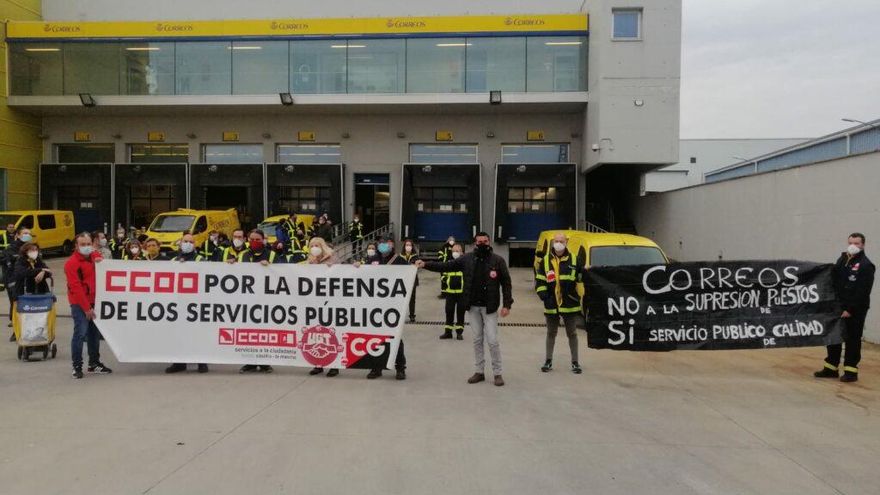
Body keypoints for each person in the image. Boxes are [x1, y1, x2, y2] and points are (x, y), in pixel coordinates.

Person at [417, 232, 512, 387]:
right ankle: (479, 371)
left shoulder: (498, 261)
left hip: (490, 307)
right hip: (473, 307)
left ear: (489, 242)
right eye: (479, 241)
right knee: (477, 340)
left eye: (485, 241)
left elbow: (506, 283)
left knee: (493, 341)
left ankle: (497, 373)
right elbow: (446, 266)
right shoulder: (467, 259)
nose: (482, 244)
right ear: (475, 243)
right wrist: (426, 264)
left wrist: (507, 304)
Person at [815, 233, 875, 383]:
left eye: (857, 243)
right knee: (834, 337)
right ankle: (831, 368)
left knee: (852, 339)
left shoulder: (866, 265)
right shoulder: (842, 260)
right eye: (850, 242)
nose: (853, 246)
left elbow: (862, 291)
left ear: (863, 245)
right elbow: (833, 279)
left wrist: (849, 309)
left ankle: (850, 371)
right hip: (837, 307)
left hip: (855, 310)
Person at [65, 232, 112, 379]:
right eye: (82, 244)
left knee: (94, 335)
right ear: (76, 246)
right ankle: (77, 365)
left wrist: (97, 256)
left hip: (95, 301)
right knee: (80, 334)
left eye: (88, 244)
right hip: (79, 304)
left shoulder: (94, 258)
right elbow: (75, 287)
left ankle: (94, 363)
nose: (86, 247)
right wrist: (86, 308)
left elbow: (98, 260)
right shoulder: (71, 263)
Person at [536, 233, 583, 374]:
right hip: (551, 304)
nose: (558, 243)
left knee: (572, 333)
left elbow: (581, 279)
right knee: (551, 333)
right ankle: (548, 361)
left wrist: (589, 271)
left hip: (569, 303)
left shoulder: (575, 260)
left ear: (566, 242)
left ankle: (575, 362)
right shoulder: (545, 261)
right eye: (556, 241)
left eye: (561, 241)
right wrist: (545, 297)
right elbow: (540, 281)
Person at [361, 236, 407, 380]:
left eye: (386, 244)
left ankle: (400, 368)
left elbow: (410, 278)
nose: (383, 246)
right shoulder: (373, 259)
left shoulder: (399, 260)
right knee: (374, 337)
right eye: (380, 243)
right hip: (375, 305)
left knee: (395, 337)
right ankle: (376, 367)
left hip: (392, 305)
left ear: (392, 245)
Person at [165, 232, 208, 374]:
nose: (187, 244)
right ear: (180, 242)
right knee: (178, 333)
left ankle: (202, 362)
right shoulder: (173, 261)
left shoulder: (201, 259)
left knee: (198, 333)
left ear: (194, 244)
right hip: (178, 302)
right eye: (185, 241)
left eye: (190, 241)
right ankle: (179, 362)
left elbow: (207, 276)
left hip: (196, 302)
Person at [237, 229, 280, 373]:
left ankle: (264, 362)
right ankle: (249, 362)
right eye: (251, 239)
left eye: (257, 239)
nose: (254, 242)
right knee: (249, 331)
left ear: (263, 240)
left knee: (264, 331)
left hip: (266, 300)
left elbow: (282, 274)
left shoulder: (272, 255)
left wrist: (270, 267)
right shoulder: (243, 255)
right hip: (248, 299)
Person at [306, 237, 343, 377]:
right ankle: (318, 364)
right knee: (316, 333)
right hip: (315, 302)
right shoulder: (310, 261)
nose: (314, 247)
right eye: (312, 245)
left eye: (317, 245)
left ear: (323, 246)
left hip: (331, 300)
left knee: (332, 333)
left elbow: (342, 273)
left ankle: (334, 365)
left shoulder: (332, 258)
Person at [2, 226, 31, 338]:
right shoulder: (11, 248)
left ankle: (28, 330)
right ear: (18, 235)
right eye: (25, 233)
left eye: (29, 233)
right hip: (15, 282)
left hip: (29, 282)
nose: (27, 235)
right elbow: (6, 265)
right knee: (16, 306)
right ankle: (16, 331)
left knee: (29, 306)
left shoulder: (32, 247)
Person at [439, 243, 465, 340]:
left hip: (461, 293)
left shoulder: (464, 263)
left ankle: (459, 333)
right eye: (453, 251)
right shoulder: (449, 262)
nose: (455, 253)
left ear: (461, 252)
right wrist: (445, 280)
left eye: (457, 251)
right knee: (449, 312)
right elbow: (443, 274)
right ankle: (448, 332)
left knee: (460, 313)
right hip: (450, 293)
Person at [401, 238, 420, 323]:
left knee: (412, 299)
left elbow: (417, 266)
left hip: (412, 280)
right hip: (403, 280)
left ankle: (412, 316)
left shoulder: (415, 256)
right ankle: (400, 315)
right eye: (407, 245)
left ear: (412, 247)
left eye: (410, 245)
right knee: (401, 299)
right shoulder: (400, 256)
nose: (408, 247)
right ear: (404, 246)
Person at [0, 223, 14, 291]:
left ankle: (11, 284)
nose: (11, 228)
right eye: (10, 227)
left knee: (13, 271)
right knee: (5, 271)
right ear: (7, 228)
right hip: (4, 256)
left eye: (12, 227)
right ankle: (2, 285)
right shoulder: (2, 236)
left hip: (13, 257)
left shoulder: (16, 236)